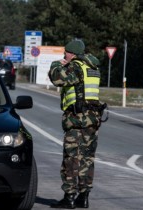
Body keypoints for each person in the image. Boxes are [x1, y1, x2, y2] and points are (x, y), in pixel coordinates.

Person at [48, 40, 106, 209]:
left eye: (65, 53)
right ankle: (84, 196)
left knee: (71, 158)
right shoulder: (93, 67)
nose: (63, 55)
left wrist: (55, 65)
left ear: (71, 53)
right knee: (87, 158)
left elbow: (58, 80)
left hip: (77, 118)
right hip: (92, 119)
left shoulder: (75, 66)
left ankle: (70, 197)